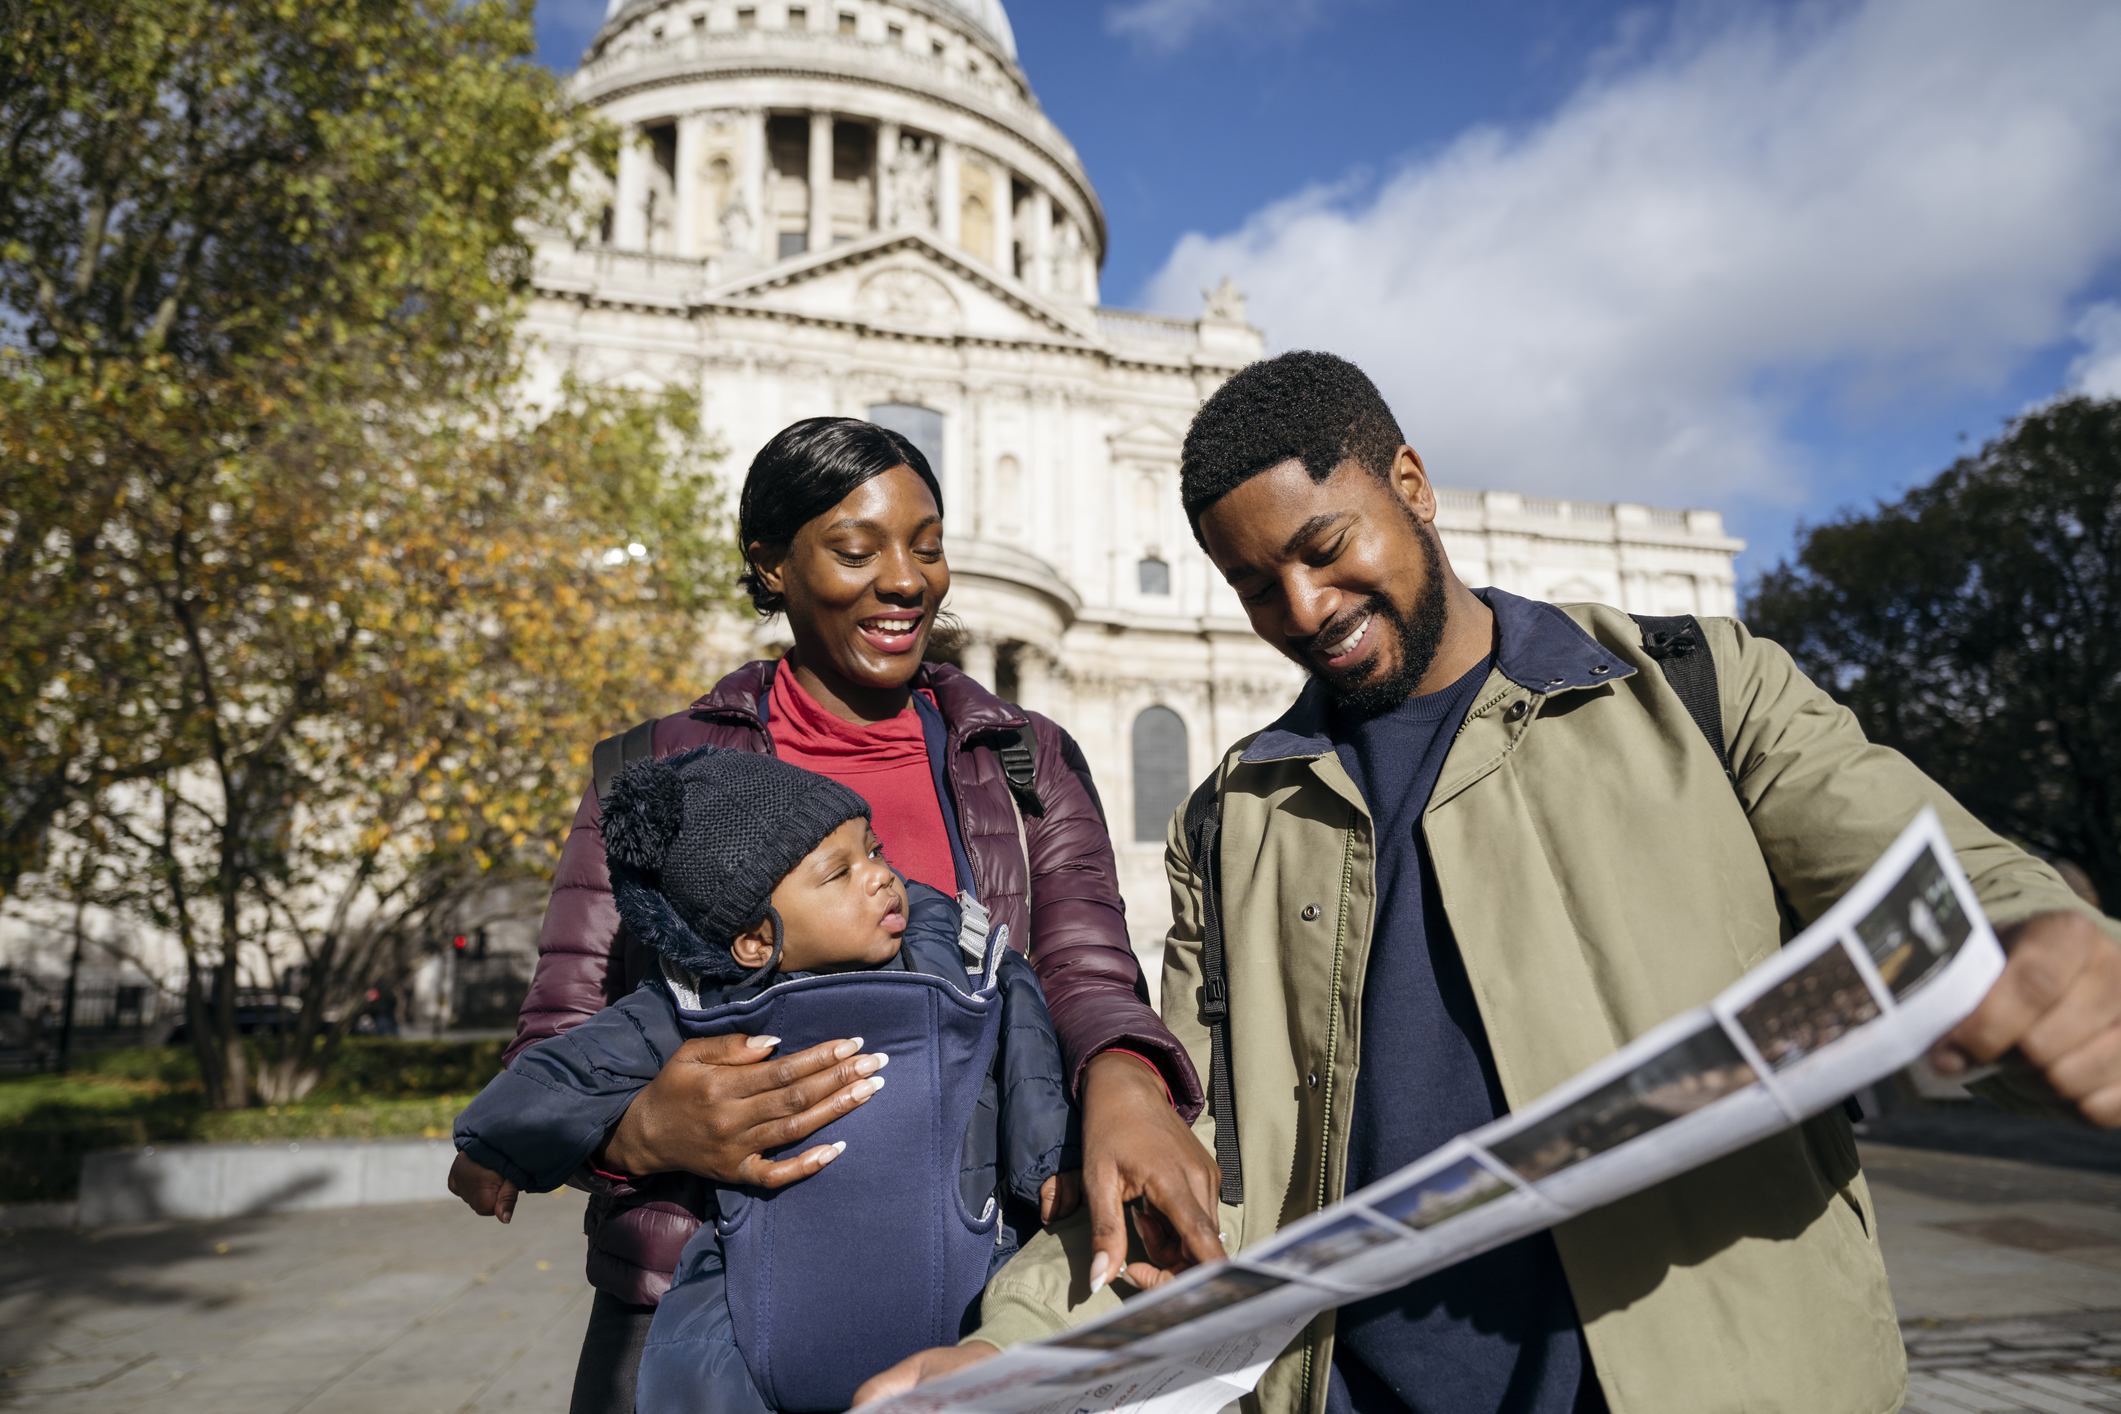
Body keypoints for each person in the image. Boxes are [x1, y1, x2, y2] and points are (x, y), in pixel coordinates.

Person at [856, 352, 2121, 1414]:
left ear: (1412, 485)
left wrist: (2039, 939)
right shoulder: (1231, 818)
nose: (1303, 607)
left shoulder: (1697, 688)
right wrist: (1012, 1352)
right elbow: (1185, 1152)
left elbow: (1943, 875)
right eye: (1254, 587)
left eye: (1326, 545)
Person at [447, 417, 1224, 1414]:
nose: (906, 580)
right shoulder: (651, 776)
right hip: (701, 1299)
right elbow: (560, 1036)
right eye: (857, 551)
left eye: (929, 545)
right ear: (770, 565)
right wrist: (640, 1132)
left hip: (978, 1294)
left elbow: (1083, 977)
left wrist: (1128, 1085)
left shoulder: (1024, 758)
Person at [454, 746, 1077, 1414]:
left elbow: (1027, 1042)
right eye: (839, 872)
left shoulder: (951, 951)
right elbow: (581, 1061)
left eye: (874, 851)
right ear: (755, 942)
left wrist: (1047, 1162)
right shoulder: (698, 1000)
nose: (880, 877)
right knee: (695, 1365)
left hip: (957, 1268)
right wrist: (500, 1141)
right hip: (766, 1293)